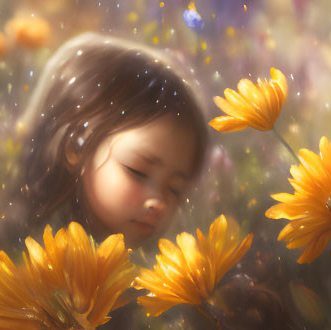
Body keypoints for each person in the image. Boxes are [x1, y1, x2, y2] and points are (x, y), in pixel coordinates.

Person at [11, 33, 210, 247]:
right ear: (76, 146)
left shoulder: (150, 265)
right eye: (138, 171)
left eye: (174, 190)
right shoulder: (36, 254)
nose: (158, 202)